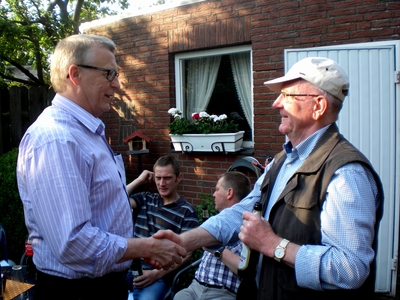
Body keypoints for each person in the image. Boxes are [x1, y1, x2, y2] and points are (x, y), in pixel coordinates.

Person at [154, 57, 384, 300]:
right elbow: (240, 213)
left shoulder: (346, 174)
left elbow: (351, 269)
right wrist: (183, 241)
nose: (276, 104)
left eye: (287, 96)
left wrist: (274, 245)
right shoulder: (281, 162)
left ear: (318, 106)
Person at [16, 34, 186, 300]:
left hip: (102, 286)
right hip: (77, 292)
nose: (117, 84)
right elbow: (73, 244)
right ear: (75, 74)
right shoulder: (56, 139)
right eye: (109, 74)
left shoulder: (86, 132)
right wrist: (146, 248)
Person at [126, 155, 199, 300]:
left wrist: (155, 274)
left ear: (178, 178)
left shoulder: (187, 212)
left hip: (156, 278)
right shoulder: (146, 199)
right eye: (158, 178)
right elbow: (118, 201)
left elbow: (187, 254)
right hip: (126, 270)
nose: (162, 183)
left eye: (167, 178)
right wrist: (139, 181)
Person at [174, 171, 251, 300]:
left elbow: (246, 270)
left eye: (217, 190)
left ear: (229, 193)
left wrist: (217, 250)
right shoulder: (213, 224)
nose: (213, 195)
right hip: (195, 287)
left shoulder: (246, 228)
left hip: (223, 293)